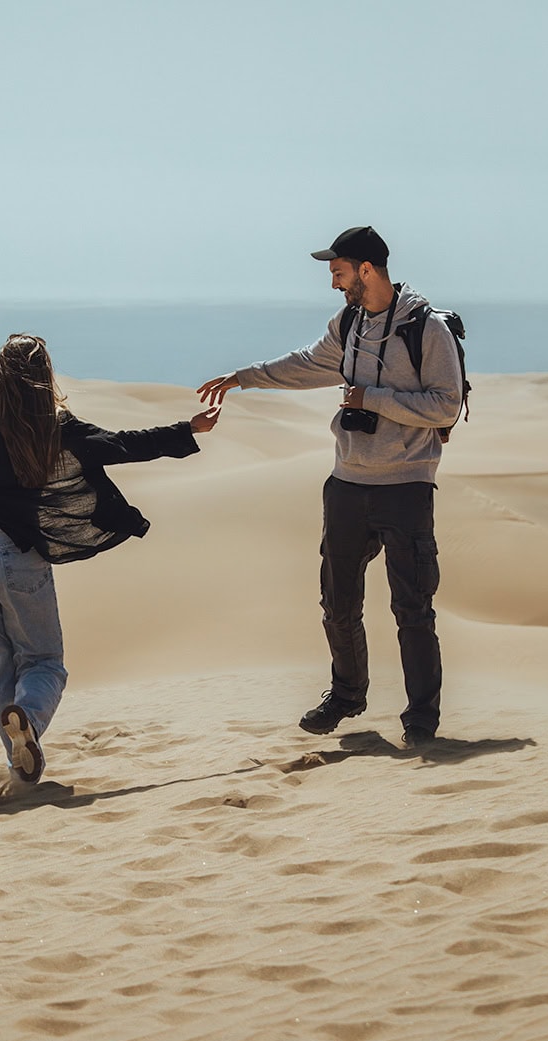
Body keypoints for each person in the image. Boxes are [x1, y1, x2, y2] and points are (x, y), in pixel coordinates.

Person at [0, 333, 219, 792]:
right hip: (16, 557)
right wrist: (187, 429)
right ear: (44, 378)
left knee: (0, 667)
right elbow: (121, 445)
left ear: (0, 378)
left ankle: (21, 769)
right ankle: (28, 724)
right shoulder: (54, 426)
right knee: (44, 662)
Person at [197, 226, 462, 748]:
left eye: (339, 273)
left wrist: (372, 399)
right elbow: (307, 364)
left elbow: (446, 405)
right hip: (346, 485)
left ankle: (421, 721)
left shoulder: (426, 330)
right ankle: (347, 695)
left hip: (406, 486)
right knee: (337, 602)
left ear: (367, 269)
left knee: (412, 608)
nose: (334, 284)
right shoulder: (349, 323)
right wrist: (243, 376)